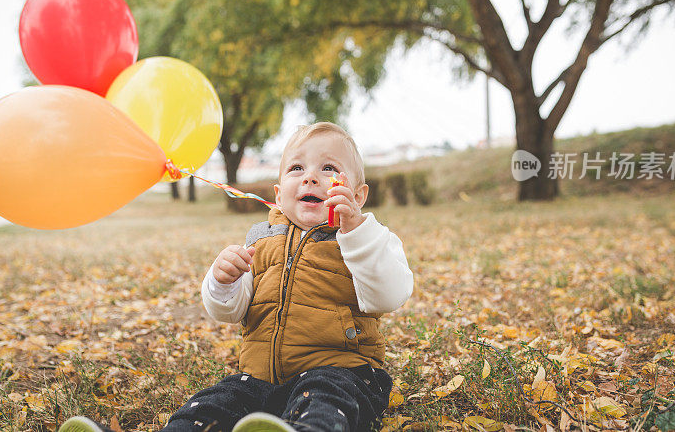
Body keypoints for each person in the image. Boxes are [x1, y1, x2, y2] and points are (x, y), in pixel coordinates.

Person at [59, 122, 413, 432]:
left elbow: (390, 294)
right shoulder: (261, 238)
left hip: (343, 372)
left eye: (328, 168)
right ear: (278, 195)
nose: (310, 177)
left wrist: (356, 233)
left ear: (359, 195)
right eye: (296, 168)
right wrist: (223, 281)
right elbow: (232, 309)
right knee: (212, 404)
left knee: (324, 402)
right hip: (260, 380)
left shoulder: (368, 240)